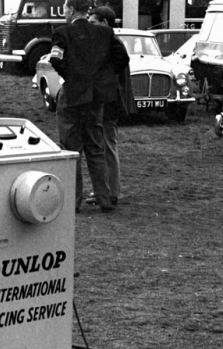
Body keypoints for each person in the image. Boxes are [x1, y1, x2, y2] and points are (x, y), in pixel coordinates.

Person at [49, 0, 129, 213]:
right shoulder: (104, 33)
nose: (64, 13)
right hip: (95, 97)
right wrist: (103, 78)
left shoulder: (61, 33)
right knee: (95, 147)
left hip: (72, 96)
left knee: (71, 149)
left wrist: (72, 77)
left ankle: (74, 202)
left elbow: (55, 60)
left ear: (72, 10)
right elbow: (122, 57)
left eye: (65, 9)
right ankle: (104, 198)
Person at [87, 5, 134, 206]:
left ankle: (111, 191)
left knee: (107, 146)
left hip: (109, 103)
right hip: (107, 101)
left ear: (104, 23)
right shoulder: (110, 43)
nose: (90, 27)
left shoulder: (112, 45)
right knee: (104, 146)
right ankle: (106, 189)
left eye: (93, 22)